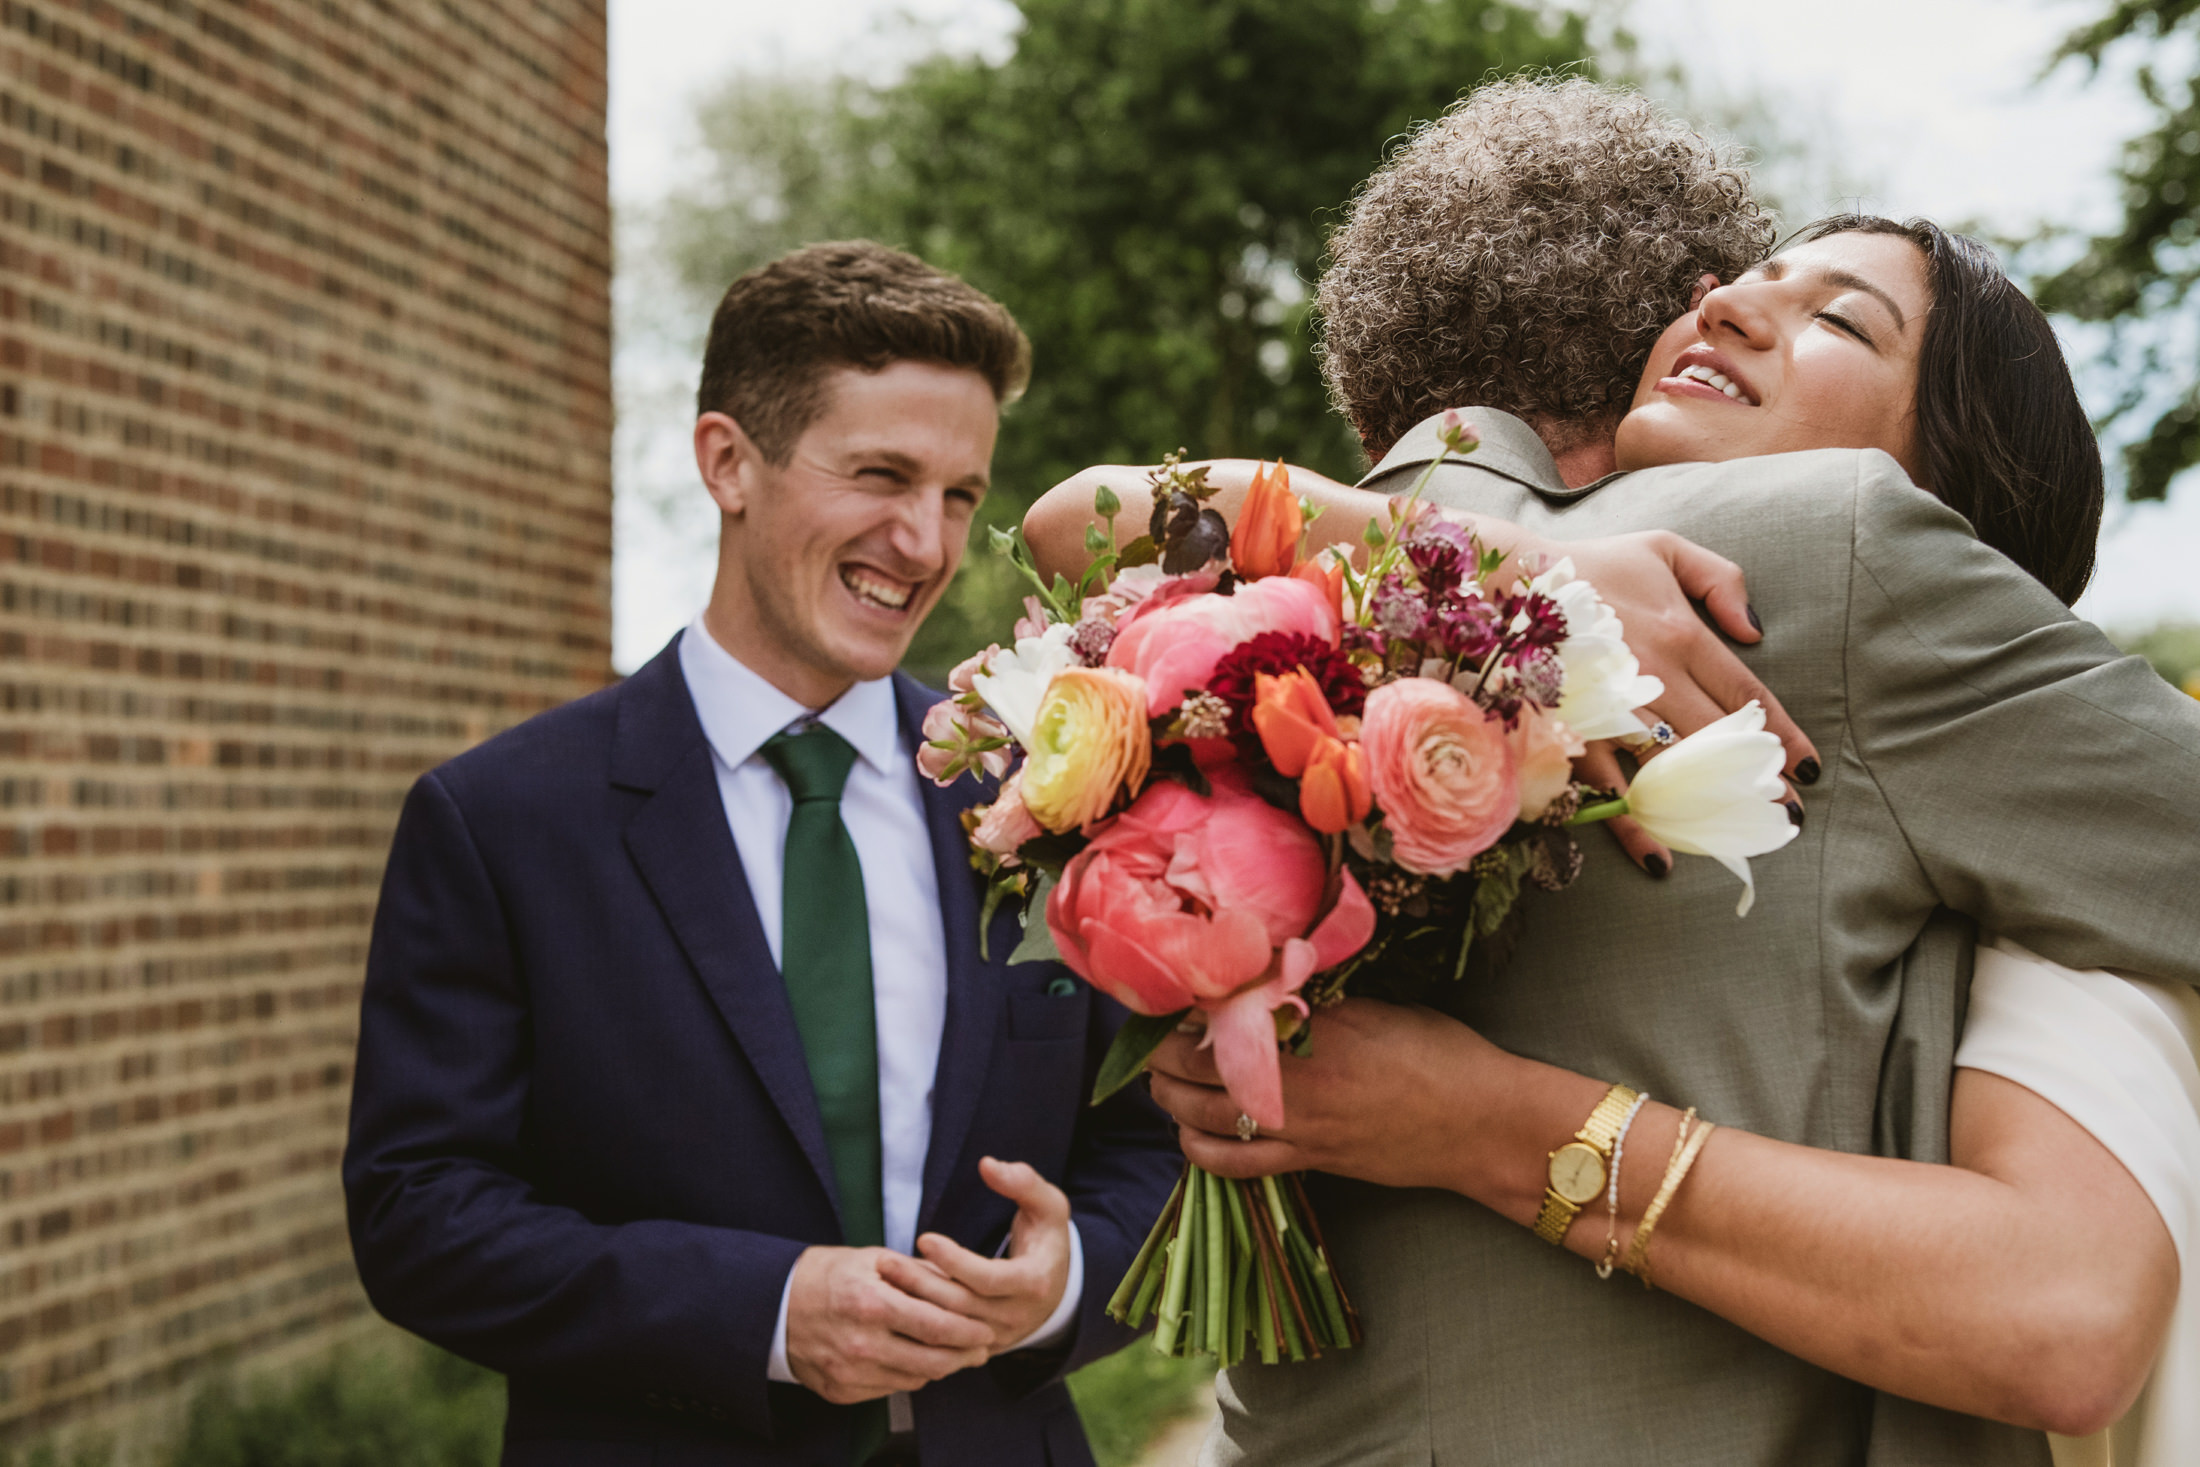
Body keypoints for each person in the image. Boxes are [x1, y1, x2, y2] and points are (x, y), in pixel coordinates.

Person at [1026, 81, 2200, 1465]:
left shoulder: (1800, 547)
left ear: (1958, 503)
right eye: (1737, 282)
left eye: (1838, 318)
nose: (1731, 303)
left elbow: (1078, 522)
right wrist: (1524, 574)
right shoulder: (1599, 562)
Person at [344, 241, 1181, 1467]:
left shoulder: (1053, 788)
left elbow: (1158, 1143)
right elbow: (419, 1213)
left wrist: (1063, 1285)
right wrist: (766, 1314)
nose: (924, 541)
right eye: (881, 475)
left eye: (960, 494)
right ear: (727, 462)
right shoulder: (500, 822)